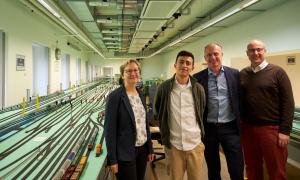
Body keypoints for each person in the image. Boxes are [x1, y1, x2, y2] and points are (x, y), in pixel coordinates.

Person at [240, 40, 295, 180]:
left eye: (259, 49)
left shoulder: (277, 72)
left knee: (276, 170)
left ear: (265, 51)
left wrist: (285, 131)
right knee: (252, 167)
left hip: (272, 130)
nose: (255, 53)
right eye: (252, 50)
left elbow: (288, 103)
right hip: (248, 130)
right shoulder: (243, 74)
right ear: (247, 54)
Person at [193, 43, 244, 180]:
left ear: (221, 55)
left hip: (230, 128)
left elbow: (241, 98)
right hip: (208, 129)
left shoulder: (234, 74)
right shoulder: (197, 78)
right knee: (213, 168)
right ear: (205, 57)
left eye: (216, 53)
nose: (213, 57)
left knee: (236, 167)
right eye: (209, 55)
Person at [153, 50, 206, 180]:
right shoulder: (164, 88)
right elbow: (157, 110)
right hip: (173, 146)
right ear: (175, 65)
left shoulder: (198, 88)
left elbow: (202, 111)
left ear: (192, 67)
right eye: (181, 62)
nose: (184, 65)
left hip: (195, 144)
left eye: (188, 63)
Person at [104, 59, 153, 180]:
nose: (133, 73)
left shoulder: (141, 94)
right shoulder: (115, 97)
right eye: (128, 71)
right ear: (122, 75)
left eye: (136, 70)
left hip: (142, 150)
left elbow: (145, 124)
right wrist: (112, 160)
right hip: (124, 152)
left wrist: (150, 148)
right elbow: (109, 130)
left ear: (139, 73)